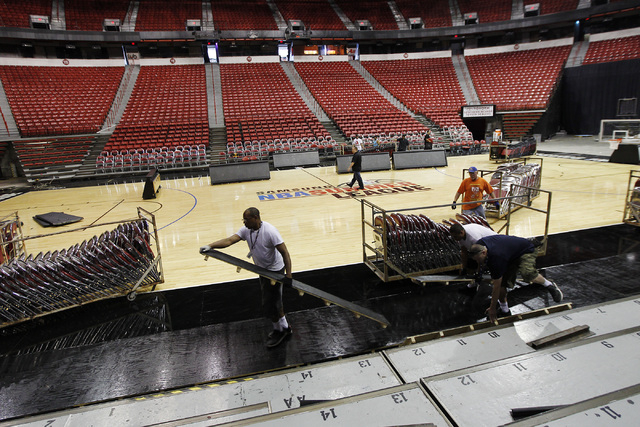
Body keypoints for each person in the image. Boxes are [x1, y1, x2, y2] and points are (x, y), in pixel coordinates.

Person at [199, 207, 293, 348]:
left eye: (246, 219)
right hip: (263, 270)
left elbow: (285, 252)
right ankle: (285, 328)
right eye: (243, 219)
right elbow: (230, 240)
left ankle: (279, 330)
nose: (244, 222)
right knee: (276, 300)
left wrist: (289, 275)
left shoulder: (270, 231)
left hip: (275, 271)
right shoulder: (246, 230)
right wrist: (210, 246)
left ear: (255, 218)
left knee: (269, 304)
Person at [468, 235, 563, 323]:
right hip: (508, 255)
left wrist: (492, 308)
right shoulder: (479, 246)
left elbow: (496, 287)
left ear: (484, 252)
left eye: (478, 259)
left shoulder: (496, 258)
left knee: (527, 273)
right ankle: (505, 310)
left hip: (525, 249)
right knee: (502, 286)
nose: (478, 261)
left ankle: (549, 285)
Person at [449, 222, 497, 289]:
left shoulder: (474, 238)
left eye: (455, 237)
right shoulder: (460, 237)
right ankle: (473, 283)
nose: (454, 239)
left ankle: (489, 283)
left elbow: (482, 255)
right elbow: (464, 252)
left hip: (493, 246)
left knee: (484, 264)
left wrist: (479, 272)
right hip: (480, 248)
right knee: (470, 264)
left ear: (462, 232)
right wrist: (464, 267)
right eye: (453, 236)